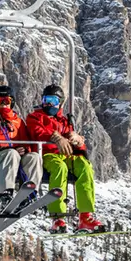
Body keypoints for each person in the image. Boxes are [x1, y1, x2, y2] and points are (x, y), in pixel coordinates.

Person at [26, 84, 106, 234]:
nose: (49, 104)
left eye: (53, 101)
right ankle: (58, 216)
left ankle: (85, 215)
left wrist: (78, 141)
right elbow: (36, 132)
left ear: (60, 103)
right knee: (59, 168)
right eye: (46, 100)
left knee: (84, 166)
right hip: (48, 155)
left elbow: (78, 148)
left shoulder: (65, 121)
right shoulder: (35, 117)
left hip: (67, 155)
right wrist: (55, 137)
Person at [0, 85, 43, 205]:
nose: (3, 104)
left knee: (34, 157)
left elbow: (26, 142)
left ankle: (29, 193)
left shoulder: (18, 122)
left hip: (16, 158)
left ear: (11, 102)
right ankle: (5, 193)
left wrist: (25, 150)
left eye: (6, 101)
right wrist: (1, 148)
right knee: (11, 153)